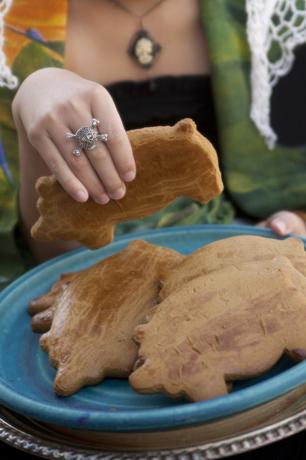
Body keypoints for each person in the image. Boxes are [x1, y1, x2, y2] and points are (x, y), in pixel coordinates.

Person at [1, 1, 306, 458]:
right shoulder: (12, 34)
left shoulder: (279, 15)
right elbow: (57, 255)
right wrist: (31, 99)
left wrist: (292, 223)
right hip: (88, 419)